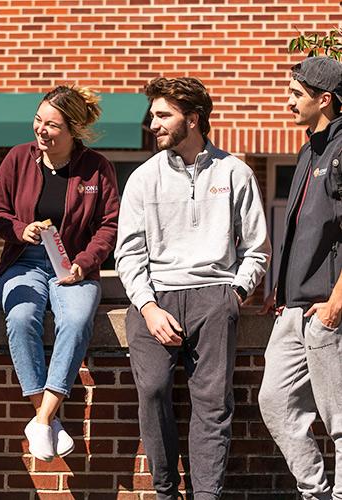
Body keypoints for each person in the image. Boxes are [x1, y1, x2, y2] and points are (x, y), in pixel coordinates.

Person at [115, 77, 271, 500]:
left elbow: (257, 248)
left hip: (215, 297)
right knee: (152, 392)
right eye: (153, 115)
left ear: (194, 118)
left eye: (163, 115)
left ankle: (207, 495)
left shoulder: (234, 171)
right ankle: (165, 490)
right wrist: (147, 307)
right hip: (155, 299)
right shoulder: (142, 178)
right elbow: (128, 254)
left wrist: (233, 296)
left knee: (213, 404)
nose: (153, 123)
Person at [0, 85, 119, 462]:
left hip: (72, 265)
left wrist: (86, 262)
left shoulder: (97, 168)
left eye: (52, 125)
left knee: (76, 320)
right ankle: (48, 422)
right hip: (24, 262)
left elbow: (108, 225)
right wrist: (18, 229)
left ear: (73, 129)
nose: (41, 130)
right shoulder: (17, 158)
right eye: (38, 120)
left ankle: (42, 418)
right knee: (22, 316)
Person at [258, 57, 342, 499]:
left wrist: (335, 303)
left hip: (328, 307)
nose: (287, 101)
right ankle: (316, 491)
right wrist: (280, 288)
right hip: (295, 307)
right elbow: (303, 227)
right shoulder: (310, 149)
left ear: (324, 99)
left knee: (340, 419)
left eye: (296, 94)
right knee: (274, 400)